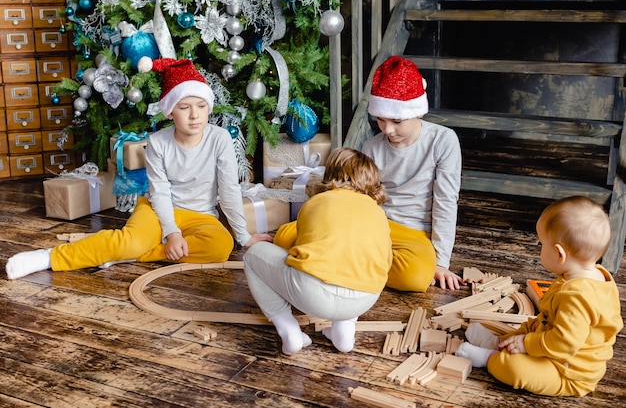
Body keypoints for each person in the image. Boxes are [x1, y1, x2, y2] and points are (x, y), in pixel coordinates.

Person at [5, 58, 271, 280]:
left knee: (220, 247)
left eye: (202, 106)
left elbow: (229, 190)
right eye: (184, 107)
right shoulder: (158, 143)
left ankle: (122, 254)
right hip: (157, 210)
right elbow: (161, 192)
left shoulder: (220, 138)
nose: (195, 115)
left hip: (202, 216)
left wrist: (243, 236)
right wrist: (172, 233)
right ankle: (50, 257)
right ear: (170, 112)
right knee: (132, 238)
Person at [455, 196, 623, 397]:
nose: (539, 248)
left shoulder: (578, 296)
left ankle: (490, 357)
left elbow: (563, 344)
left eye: (541, 243)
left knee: (517, 370)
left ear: (559, 254)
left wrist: (527, 343)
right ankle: (499, 343)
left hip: (567, 371)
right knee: (527, 326)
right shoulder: (594, 275)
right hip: (553, 344)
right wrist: (529, 334)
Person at [243, 147, 392, 355]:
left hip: (313, 295)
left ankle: (288, 328)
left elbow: (302, 249)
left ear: (329, 174)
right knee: (356, 264)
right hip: (364, 299)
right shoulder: (379, 213)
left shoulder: (315, 202)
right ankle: (344, 331)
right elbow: (385, 261)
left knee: (252, 255)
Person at [361, 55, 464, 291]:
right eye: (380, 119)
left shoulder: (443, 140)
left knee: (415, 279)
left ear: (418, 112)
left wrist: (440, 262)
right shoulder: (372, 146)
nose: (388, 130)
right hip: (378, 225)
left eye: (397, 120)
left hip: (416, 234)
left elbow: (446, 202)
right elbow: (366, 200)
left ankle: (357, 264)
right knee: (289, 235)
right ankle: (364, 261)